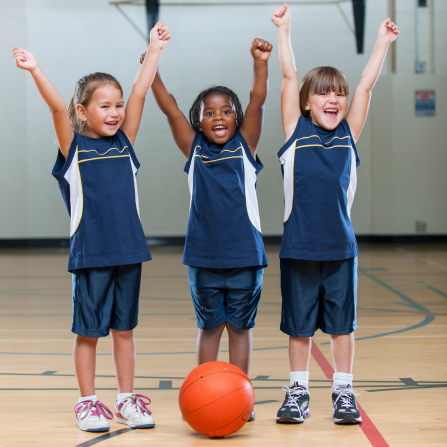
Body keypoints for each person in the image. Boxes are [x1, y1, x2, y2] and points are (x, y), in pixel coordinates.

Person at [12, 21, 171, 432]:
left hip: (130, 253)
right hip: (91, 255)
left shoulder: (125, 143)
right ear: (82, 111)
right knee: (89, 333)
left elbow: (139, 93)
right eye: (105, 106)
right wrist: (35, 69)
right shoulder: (75, 149)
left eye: (117, 105)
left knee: (124, 331)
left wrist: (154, 48)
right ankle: (87, 402)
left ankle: (125, 399)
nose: (116, 112)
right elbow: (55, 108)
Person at [271, 3, 399, 424]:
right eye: (323, 92)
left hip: (341, 249)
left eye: (337, 92)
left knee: (342, 326)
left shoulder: (349, 134)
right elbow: (289, 76)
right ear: (307, 104)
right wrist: (284, 31)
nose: (334, 98)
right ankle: (299, 391)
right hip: (299, 247)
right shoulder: (295, 132)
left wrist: (381, 43)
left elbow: (364, 88)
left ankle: (343, 390)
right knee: (300, 327)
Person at [143, 37, 272, 420]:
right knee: (211, 327)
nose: (219, 117)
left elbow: (258, 101)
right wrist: (152, 67)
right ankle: (204, 390)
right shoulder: (194, 148)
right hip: (203, 258)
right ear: (198, 120)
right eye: (210, 112)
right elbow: (168, 109)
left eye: (227, 111)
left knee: (240, 329)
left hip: (246, 256)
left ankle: (240, 395)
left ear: (237, 118)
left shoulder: (246, 146)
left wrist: (260, 62)